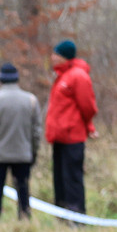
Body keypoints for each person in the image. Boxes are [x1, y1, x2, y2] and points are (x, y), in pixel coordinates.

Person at [0, 62, 42, 220]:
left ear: (0, 79)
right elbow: (36, 132)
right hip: (23, 154)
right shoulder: (31, 100)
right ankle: (25, 218)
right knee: (23, 189)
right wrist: (33, 152)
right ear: (17, 79)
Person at [45, 38, 98, 215]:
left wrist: (88, 127)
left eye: (55, 54)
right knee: (59, 178)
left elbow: (88, 107)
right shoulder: (61, 76)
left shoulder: (78, 76)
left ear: (64, 57)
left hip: (72, 137)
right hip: (59, 137)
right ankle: (61, 214)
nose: (52, 57)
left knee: (72, 178)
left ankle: (77, 216)